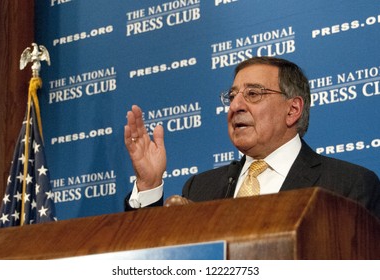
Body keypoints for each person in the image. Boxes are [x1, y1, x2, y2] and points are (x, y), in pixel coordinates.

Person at [123, 56, 380, 220]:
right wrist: (148, 185)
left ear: (293, 110)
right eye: (232, 96)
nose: (235, 106)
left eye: (253, 94)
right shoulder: (200, 189)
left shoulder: (347, 186)